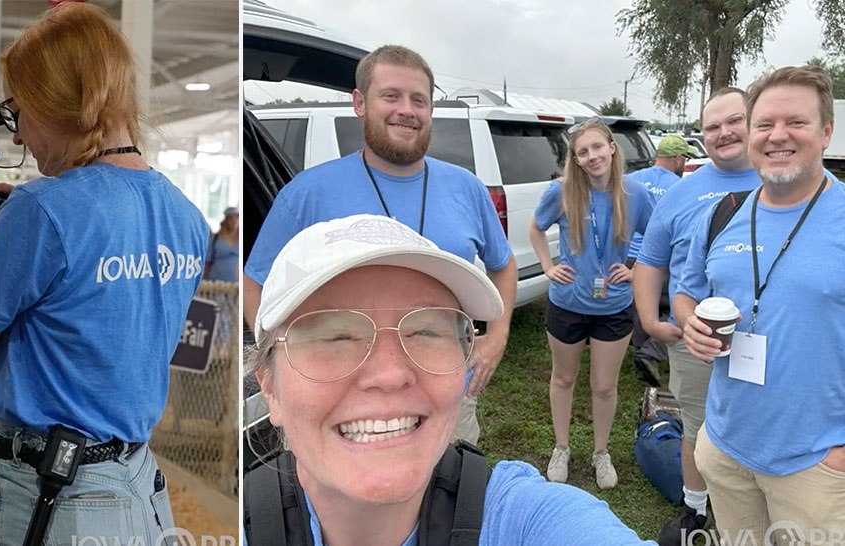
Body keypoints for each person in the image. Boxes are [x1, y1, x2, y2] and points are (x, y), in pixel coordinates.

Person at [0, 4, 206, 543]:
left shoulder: (43, 210)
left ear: (57, 104)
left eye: (19, 112)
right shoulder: (186, 215)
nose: (20, 136)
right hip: (135, 483)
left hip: (49, 492)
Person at [244, 214, 649, 546]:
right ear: (269, 387)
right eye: (334, 337)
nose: (389, 374)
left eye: (425, 332)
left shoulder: (525, 521)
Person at [242, 45, 517, 447]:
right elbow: (254, 283)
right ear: (360, 103)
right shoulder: (307, 194)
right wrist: (284, 360)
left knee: (451, 492)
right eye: (391, 96)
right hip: (342, 398)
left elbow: (503, 265)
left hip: (446, 389)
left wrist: (498, 336)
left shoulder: (467, 188)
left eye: (419, 100)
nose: (407, 109)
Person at [678, 66, 845, 543]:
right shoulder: (722, 214)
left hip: (816, 464)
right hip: (726, 449)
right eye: (765, 124)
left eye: (796, 122)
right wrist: (690, 323)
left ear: (826, 131)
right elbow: (688, 293)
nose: (778, 137)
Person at [631, 88, 755, 541]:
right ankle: (695, 509)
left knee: (763, 421)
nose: (724, 133)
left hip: (771, 337)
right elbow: (651, 259)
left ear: (753, 120)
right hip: (694, 336)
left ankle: (757, 507)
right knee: (697, 425)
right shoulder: (684, 192)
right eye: (711, 126)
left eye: (734, 120)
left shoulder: (781, 181)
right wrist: (648, 320)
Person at [528, 119, 654, 489]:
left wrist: (634, 270)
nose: (591, 156)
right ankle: (562, 447)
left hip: (614, 306)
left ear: (612, 147)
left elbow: (659, 236)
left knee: (604, 386)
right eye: (582, 152)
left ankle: (601, 452)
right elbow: (536, 228)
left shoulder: (636, 194)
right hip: (567, 302)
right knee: (563, 378)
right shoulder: (562, 191)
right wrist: (549, 266)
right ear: (576, 159)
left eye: (597, 147)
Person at [207, 206, 240, 283]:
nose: (234, 221)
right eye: (231, 218)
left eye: (237, 218)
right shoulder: (215, 238)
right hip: (214, 281)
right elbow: (207, 262)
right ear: (226, 220)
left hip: (235, 284)